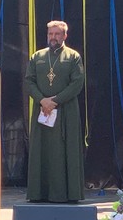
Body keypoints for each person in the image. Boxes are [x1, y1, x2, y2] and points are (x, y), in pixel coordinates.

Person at [25, 20, 85, 203]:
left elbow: (77, 83)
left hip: (66, 111)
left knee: (65, 152)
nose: (53, 37)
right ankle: (38, 193)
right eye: (50, 34)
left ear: (65, 35)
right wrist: (42, 100)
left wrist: (55, 101)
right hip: (42, 110)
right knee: (40, 150)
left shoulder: (73, 56)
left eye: (57, 34)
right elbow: (29, 81)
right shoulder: (38, 56)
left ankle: (68, 194)